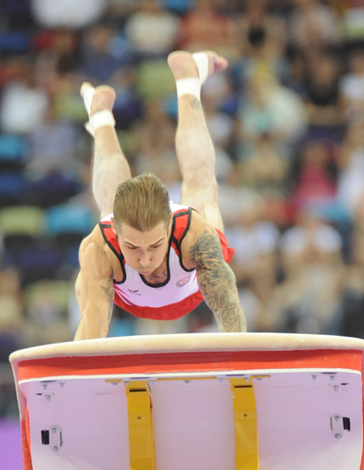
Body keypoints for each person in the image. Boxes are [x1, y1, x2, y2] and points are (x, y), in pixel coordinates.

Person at [74, 50, 246, 340]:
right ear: (116, 233)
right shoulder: (99, 248)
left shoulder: (195, 235)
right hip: (128, 293)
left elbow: (228, 306)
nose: (144, 261)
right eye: (132, 247)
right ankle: (100, 116)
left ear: (170, 227)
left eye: (155, 246)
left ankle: (188, 81)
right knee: (110, 205)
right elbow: (93, 328)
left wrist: (238, 357)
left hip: (191, 286)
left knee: (202, 187)